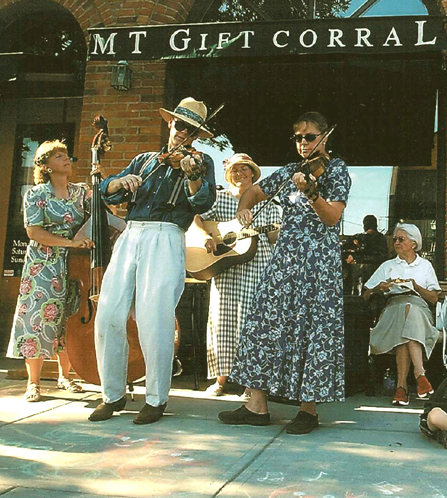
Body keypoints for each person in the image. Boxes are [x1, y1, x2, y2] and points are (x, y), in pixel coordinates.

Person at [218, 111, 350, 435]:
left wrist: (312, 193)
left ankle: (308, 410)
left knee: (311, 328)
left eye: (309, 136)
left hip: (318, 261)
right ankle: (256, 406)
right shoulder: (290, 170)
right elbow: (253, 193)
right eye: (298, 138)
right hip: (285, 258)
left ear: (324, 137)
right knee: (264, 322)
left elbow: (332, 217)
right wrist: (243, 209)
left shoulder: (336, 170)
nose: (303, 143)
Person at [88, 97, 216, 425]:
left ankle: (156, 399)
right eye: (178, 124)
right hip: (132, 234)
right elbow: (106, 192)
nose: (181, 131)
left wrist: (192, 176)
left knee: (154, 318)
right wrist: (118, 183)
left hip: (167, 235)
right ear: (170, 124)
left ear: (196, 134)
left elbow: (203, 201)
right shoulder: (144, 159)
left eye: (189, 128)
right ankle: (112, 395)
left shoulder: (201, 161)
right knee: (108, 314)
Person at [6, 140, 93, 402]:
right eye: (58, 156)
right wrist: (69, 242)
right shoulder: (35, 194)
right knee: (38, 317)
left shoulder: (82, 193)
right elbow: (34, 231)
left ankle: (65, 376)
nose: (66, 160)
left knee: (69, 317)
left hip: (75, 264)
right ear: (45, 166)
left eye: (66, 155)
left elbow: (98, 220)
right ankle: (33, 383)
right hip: (43, 265)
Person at [190, 153, 280, 396]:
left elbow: (274, 238)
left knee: (252, 326)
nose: (239, 174)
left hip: (257, 267)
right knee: (222, 323)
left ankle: (251, 387)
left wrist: (282, 231)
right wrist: (206, 237)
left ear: (252, 173)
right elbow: (196, 219)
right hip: (226, 268)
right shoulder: (219, 199)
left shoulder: (267, 203)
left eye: (244, 169)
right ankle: (221, 380)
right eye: (234, 170)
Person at [362, 223, 441, 406]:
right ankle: (419, 374)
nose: (396, 242)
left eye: (401, 239)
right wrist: (378, 288)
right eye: (395, 239)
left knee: (408, 313)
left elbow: (434, 299)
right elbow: (365, 294)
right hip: (392, 309)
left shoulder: (425, 266)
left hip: (419, 310)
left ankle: (402, 387)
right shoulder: (387, 266)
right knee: (404, 313)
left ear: (414, 243)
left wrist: (415, 286)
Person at [343, 215, 389, 295]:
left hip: (358, 269)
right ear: (376, 225)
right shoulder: (381, 238)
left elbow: (345, 246)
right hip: (376, 269)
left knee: (355, 292)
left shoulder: (358, 237)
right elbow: (384, 255)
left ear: (364, 225)